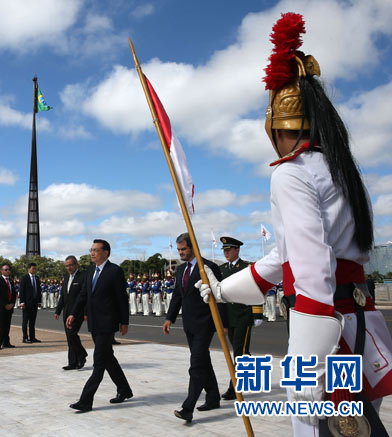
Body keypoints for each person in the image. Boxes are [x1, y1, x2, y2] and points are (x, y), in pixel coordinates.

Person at [196, 13, 392, 436]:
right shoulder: (344, 172)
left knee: (316, 426)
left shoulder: (291, 173)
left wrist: (310, 361)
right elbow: (286, 257)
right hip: (360, 322)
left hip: (326, 330)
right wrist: (225, 289)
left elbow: (309, 266)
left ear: (274, 125)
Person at [162, 232, 227, 423]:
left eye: (184, 249)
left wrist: (222, 323)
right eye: (179, 249)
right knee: (203, 361)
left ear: (193, 248)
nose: (180, 252)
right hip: (189, 323)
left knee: (196, 365)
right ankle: (213, 397)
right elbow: (177, 296)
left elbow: (219, 296)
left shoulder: (208, 267)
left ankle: (188, 407)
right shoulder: (181, 270)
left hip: (205, 323)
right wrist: (169, 318)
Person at [67, 239, 132, 412]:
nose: (92, 253)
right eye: (91, 250)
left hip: (107, 323)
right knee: (108, 358)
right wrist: (73, 313)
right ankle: (124, 389)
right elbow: (83, 295)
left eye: (96, 250)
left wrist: (124, 321)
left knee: (99, 362)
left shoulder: (114, 271)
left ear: (106, 252)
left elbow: (121, 298)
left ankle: (86, 400)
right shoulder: (90, 271)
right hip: (94, 322)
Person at [218, 236, 263, 401]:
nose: (226, 253)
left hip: (244, 315)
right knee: (241, 352)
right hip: (228, 316)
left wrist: (257, 313)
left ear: (237, 249)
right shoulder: (221, 269)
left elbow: (256, 290)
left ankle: (234, 388)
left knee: (239, 352)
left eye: (229, 250)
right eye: (224, 250)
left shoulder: (247, 268)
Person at [55, 256, 87, 370]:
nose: (68, 268)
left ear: (76, 265)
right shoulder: (66, 277)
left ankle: (82, 355)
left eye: (70, 265)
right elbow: (63, 296)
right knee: (69, 337)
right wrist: (58, 310)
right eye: (66, 266)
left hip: (78, 312)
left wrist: (86, 312)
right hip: (66, 311)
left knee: (72, 334)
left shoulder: (83, 277)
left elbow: (84, 296)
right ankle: (72, 362)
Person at [0, 265, 16, 350]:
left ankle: (6, 343)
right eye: (6, 270)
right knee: (1, 326)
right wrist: (5, 304)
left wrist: (12, 303)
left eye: (8, 270)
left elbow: (13, 293)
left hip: (10, 306)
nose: (8, 271)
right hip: (1, 307)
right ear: (2, 271)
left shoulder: (10, 280)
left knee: (7, 326)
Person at [20, 262, 42, 343]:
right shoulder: (24, 278)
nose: (35, 270)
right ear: (29, 269)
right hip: (26, 303)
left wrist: (39, 301)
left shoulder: (37, 278)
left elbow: (39, 290)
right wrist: (22, 302)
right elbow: (21, 291)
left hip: (35, 302)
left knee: (32, 321)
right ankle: (25, 337)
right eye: (33, 268)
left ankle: (32, 337)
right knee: (25, 321)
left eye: (35, 268)